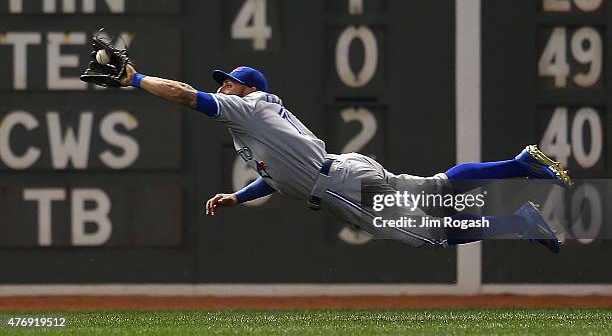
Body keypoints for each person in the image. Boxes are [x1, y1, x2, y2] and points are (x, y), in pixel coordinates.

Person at [117, 64, 570, 253]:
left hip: (338, 186)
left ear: (249, 89)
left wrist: (134, 79)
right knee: (435, 188)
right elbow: (277, 175)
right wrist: (240, 196)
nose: (222, 89)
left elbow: (180, 94)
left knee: (428, 237)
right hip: (345, 169)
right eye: (222, 83)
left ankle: (519, 223)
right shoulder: (255, 120)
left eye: (229, 83)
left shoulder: (248, 108)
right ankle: (519, 165)